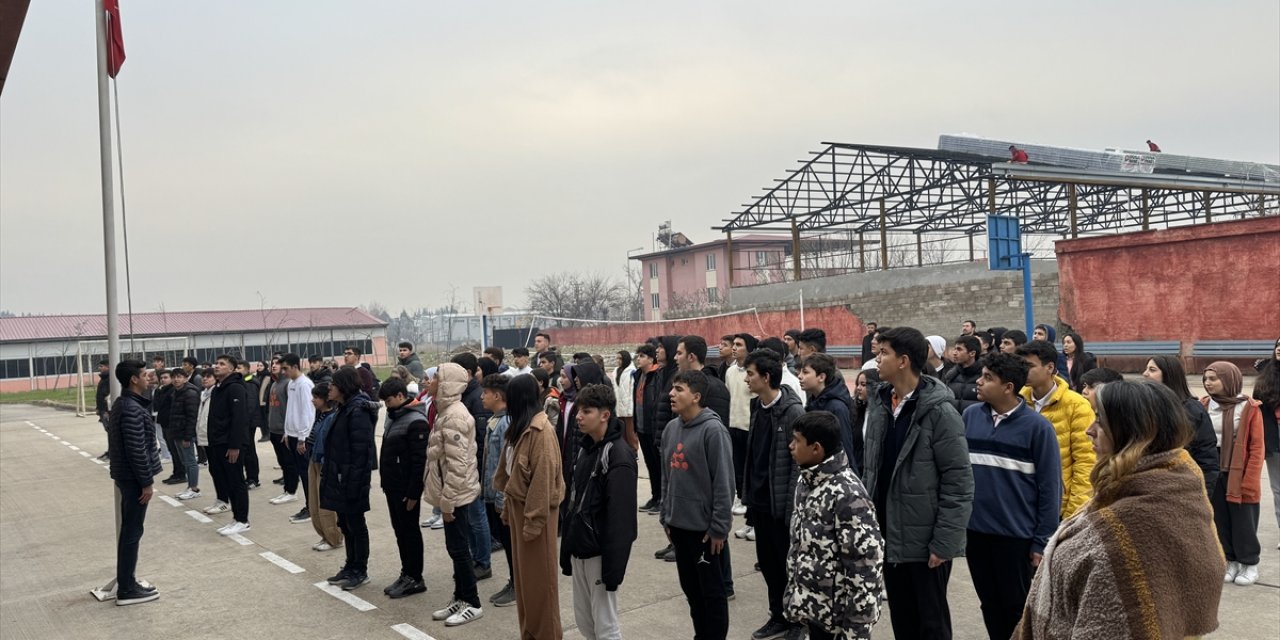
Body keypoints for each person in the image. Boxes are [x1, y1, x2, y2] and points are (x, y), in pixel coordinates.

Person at [1014, 381, 1225, 639]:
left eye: (1100, 422)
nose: (1089, 431)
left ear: (1132, 431)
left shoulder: (1142, 518)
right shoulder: (1137, 486)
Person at [862, 326, 974, 640]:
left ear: (904, 361)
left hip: (926, 543)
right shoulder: (882, 403)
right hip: (889, 533)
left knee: (931, 624)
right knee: (903, 619)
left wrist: (944, 542)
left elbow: (959, 481)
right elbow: (871, 469)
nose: (877, 358)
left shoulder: (939, 412)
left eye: (884, 353)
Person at [964, 353, 1061, 640]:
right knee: (989, 604)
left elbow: (1050, 488)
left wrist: (1042, 540)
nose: (979, 382)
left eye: (987, 378)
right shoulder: (970, 417)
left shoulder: (1037, 428)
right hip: (976, 534)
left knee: (1017, 609)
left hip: (1016, 538)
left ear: (1008, 387)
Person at [784, 411, 883, 640]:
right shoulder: (807, 480)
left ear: (816, 448)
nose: (791, 446)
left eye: (797, 441)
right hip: (813, 612)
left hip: (838, 622)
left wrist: (856, 631)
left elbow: (865, 570)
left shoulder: (848, 495)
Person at [660, 370, 735, 640]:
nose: (672, 394)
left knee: (711, 595)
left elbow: (724, 484)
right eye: (672, 388)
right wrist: (666, 516)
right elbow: (667, 476)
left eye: (679, 389)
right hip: (678, 526)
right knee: (691, 591)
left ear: (696, 396)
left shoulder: (713, 430)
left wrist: (719, 528)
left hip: (703, 531)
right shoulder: (672, 428)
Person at [561, 383, 638, 640]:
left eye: (587, 411)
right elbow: (573, 502)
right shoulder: (585, 448)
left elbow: (622, 519)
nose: (579, 416)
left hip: (599, 554)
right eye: (579, 410)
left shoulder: (618, 454)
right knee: (585, 622)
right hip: (579, 548)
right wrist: (567, 550)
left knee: (605, 626)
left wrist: (613, 569)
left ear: (605, 415)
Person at [494, 373, 565, 639]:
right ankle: (530, 633)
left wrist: (533, 522)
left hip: (536, 514)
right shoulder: (520, 427)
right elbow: (510, 472)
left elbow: (543, 481)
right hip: (519, 511)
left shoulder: (541, 431)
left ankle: (545, 634)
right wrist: (507, 510)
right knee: (525, 585)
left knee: (540, 586)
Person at [742, 348, 805, 640]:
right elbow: (754, 454)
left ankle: (797, 622)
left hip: (780, 504)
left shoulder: (792, 411)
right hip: (759, 500)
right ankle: (777, 616)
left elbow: (798, 466)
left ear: (766, 377)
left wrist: (792, 508)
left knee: (787, 564)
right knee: (768, 564)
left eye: (751, 374)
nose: (746, 379)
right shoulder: (757, 407)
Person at [423, 363, 486, 626]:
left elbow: (458, 466)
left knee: (460, 550)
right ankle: (460, 597)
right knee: (454, 548)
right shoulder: (444, 412)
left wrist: (447, 503)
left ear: (447, 383)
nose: (430, 381)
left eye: (436, 377)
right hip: (450, 495)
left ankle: (473, 602)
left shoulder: (456, 416)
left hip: (456, 496)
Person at [106, 359, 165, 606]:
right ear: (133, 379)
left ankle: (127, 580)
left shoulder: (126, 404)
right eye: (144, 374)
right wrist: (146, 483)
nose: (149, 377)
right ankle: (127, 589)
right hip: (133, 480)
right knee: (132, 531)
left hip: (127, 477)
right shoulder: (130, 408)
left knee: (130, 530)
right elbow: (136, 450)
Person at [1202, 361, 1265, 586]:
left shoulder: (1249, 407)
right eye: (1206, 379)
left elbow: (1257, 447)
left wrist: (1250, 478)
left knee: (1243, 519)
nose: (1207, 383)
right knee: (1220, 517)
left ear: (1229, 379)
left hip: (1238, 467)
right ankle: (1230, 560)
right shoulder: (1204, 404)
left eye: (1213, 378)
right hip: (1212, 465)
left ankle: (1249, 563)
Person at [1017, 340, 1095, 519]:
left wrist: (1072, 514)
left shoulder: (1077, 406)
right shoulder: (1017, 401)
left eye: (1029, 366)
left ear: (1050, 367)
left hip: (1058, 507)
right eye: (1021, 365)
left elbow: (1086, 463)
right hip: (1021, 505)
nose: (1023, 370)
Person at [321, 366, 377, 591]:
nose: (329, 388)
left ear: (343, 387)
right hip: (340, 476)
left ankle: (360, 570)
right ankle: (350, 565)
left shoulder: (358, 411)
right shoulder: (344, 408)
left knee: (356, 524)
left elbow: (361, 453)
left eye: (333, 385)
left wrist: (352, 483)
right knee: (345, 523)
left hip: (351, 479)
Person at [377, 377, 429, 599]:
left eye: (389, 400)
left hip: (406, 489)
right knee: (400, 532)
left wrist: (413, 493)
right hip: (392, 486)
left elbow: (419, 463)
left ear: (401, 396)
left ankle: (415, 578)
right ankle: (406, 572)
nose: (386, 405)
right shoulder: (394, 416)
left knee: (410, 532)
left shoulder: (416, 421)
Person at [1141, 356, 1220, 493]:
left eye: (1152, 370)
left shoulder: (1192, 410)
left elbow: (1206, 457)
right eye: (1146, 369)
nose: (1145, 373)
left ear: (1169, 375)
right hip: (1146, 486)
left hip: (1181, 488)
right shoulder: (1142, 406)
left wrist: (1203, 494)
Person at [479, 374, 517, 608]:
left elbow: (508, 465)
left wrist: (502, 498)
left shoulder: (506, 423)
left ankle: (518, 584)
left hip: (501, 497)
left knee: (511, 544)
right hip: (492, 494)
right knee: (505, 541)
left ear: (498, 396)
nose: (482, 396)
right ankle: (514, 580)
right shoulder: (495, 419)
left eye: (486, 393)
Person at [206, 355, 253, 535]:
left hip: (231, 444)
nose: (217, 366)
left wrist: (235, 445)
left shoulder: (235, 388)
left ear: (232, 369)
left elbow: (239, 419)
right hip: (218, 442)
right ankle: (235, 517)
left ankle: (243, 519)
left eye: (222, 364)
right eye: (216, 363)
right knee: (227, 481)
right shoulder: (218, 388)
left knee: (236, 481)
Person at [799, 352, 859, 472]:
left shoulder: (837, 407)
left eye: (805, 372)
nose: (799, 376)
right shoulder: (814, 401)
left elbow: (844, 448)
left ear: (821, 377)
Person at [306, 382, 343, 552]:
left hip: (324, 463)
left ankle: (333, 537)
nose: (313, 400)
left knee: (325, 504)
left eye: (316, 397)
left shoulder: (332, 417)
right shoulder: (319, 415)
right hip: (314, 460)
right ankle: (323, 535)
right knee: (314, 502)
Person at [724, 333, 757, 521]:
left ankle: (749, 501)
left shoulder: (753, 371)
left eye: (739, 344)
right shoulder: (730, 372)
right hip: (733, 423)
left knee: (749, 465)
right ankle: (740, 497)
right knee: (736, 465)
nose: (734, 348)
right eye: (734, 344)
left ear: (749, 348)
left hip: (749, 425)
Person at [1255, 339, 1280, 547]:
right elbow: (1258, 408)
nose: (1279, 348)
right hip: (1274, 437)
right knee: (1278, 488)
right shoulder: (1266, 376)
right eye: (1278, 345)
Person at [633, 344, 663, 515]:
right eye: (638, 356)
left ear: (651, 359)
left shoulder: (656, 375)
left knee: (658, 464)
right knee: (650, 465)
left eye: (642, 356)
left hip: (653, 427)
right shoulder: (638, 375)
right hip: (642, 426)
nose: (639, 359)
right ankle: (654, 496)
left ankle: (661, 499)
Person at [168, 369, 202, 500]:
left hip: (185, 433)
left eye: (179, 377)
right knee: (185, 461)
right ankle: (189, 486)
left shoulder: (190, 393)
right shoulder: (176, 392)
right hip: (177, 431)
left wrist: (188, 436)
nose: (176, 379)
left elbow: (191, 417)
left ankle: (194, 488)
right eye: (174, 377)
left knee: (190, 461)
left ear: (186, 378)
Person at [941, 335, 983, 412]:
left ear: (972, 353)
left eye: (959, 349)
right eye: (955, 349)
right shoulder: (951, 375)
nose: (954, 353)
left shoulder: (984, 377)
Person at [613, 350, 638, 451]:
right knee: (622, 432)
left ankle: (634, 450)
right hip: (619, 406)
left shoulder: (632, 372)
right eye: (617, 358)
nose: (618, 361)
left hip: (629, 407)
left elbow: (633, 391)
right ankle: (624, 450)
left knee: (630, 432)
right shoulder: (616, 371)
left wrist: (630, 407)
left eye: (620, 358)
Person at [95, 359, 112, 460]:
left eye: (102, 366)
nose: (100, 368)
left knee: (111, 432)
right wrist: (98, 408)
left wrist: (106, 410)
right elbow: (100, 396)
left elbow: (107, 396)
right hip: (103, 410)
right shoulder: (103, 379)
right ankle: (110, 451)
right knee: (109, 432)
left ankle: (112, 452)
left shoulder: (110, 379)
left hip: (108, 410)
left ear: (108, 367)